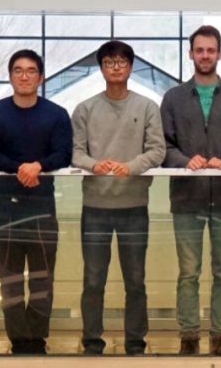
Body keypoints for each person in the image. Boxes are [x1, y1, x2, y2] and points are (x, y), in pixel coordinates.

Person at [160, 26, 221, 355]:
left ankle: (220, 339)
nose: (205, 55)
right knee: (188, 273)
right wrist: (184, 161)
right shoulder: (173, 98)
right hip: (186, 199)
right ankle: (188, 338)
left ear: (219, 54)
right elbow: (163, 146)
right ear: (191, 54)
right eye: (199, 50)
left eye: (210, 50)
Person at [71, 40, 166, 355]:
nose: (116, 67)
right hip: (95, 207)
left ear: (131, 67)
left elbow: (157, 150)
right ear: (101, 68)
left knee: (135, 280)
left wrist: (131, 166)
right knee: (93, 279)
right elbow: (76, 152)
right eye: (109, 62)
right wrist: (94, 164)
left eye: (122, 62)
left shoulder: (147, 106)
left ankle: (136, 343)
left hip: (134, 206)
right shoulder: (85, 109)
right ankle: (92, 342)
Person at [0, 50, 72, 355]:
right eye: (18, 70)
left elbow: (64, 154)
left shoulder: (56, 114)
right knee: (11, 279)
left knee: (43, 277)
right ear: (10, 76)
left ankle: (37, 339)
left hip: (43, 204)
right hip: (5, 205)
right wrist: (21, 169)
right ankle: (19, 340)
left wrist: (38, 167)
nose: (24, 76)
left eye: (31, 71)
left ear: (41, 77)